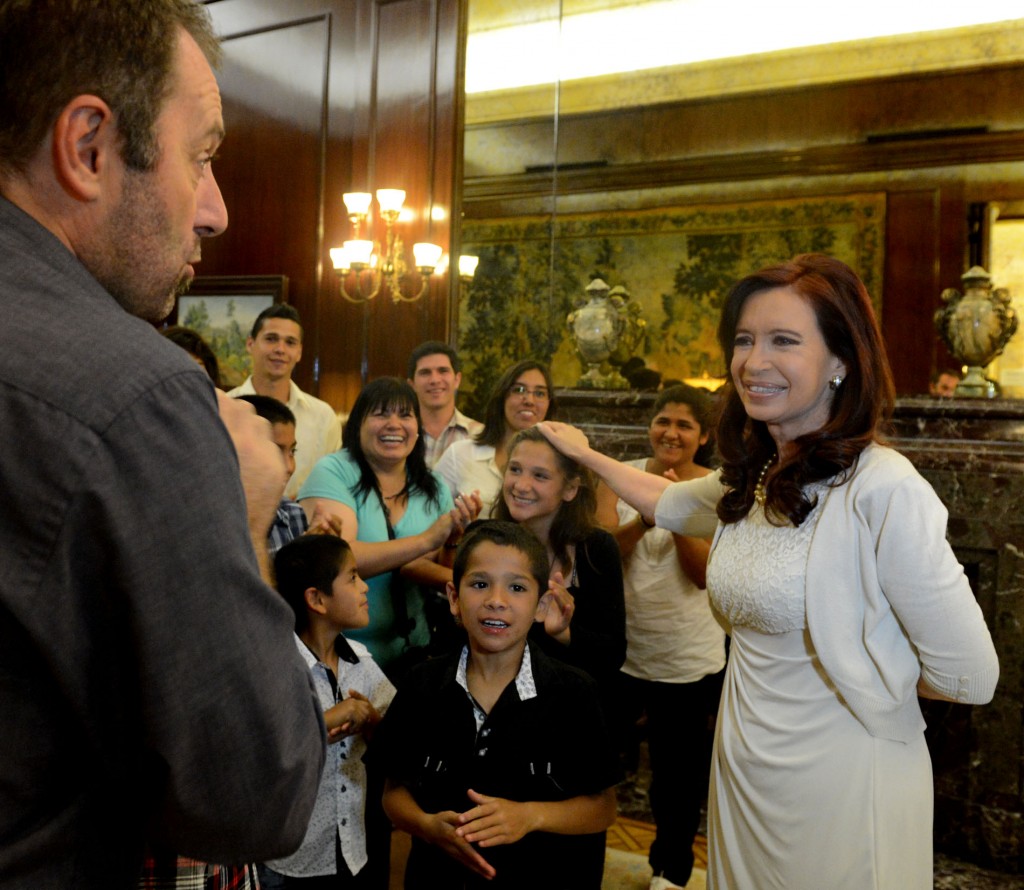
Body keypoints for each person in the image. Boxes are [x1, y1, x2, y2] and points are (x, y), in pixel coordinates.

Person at [537, 254, 999, 889]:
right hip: (743, 760)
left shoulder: (884, 488)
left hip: (844, 772)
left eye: (784, 340)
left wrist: (861, 676)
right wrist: (585, 454)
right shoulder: (751, 478)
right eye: (745, 340)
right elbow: (666, 502)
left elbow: (969, 674)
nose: (754, 362)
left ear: (841, 360)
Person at [0, 3, 326, 888]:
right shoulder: (135, 395)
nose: (216, 211)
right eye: (203, 155)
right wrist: (247, 516)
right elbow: (257, 797)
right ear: (90, 148)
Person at [372, 521, 621, 889]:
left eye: (517, 587)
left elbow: (603, 808)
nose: (497, 600)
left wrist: (530, 816)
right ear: (454, 598)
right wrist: (425, 825)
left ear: (542, 605)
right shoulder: (421, 684)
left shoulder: (573, 692)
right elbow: (393, 792)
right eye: (480, 584)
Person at [595, 384, 725, 890]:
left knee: (677, 780)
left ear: (704, 435)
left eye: (685, 425)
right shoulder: (620, 477)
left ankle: (669, 872)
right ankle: (578, 851)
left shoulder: (718, 487)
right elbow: (602, 557)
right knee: (596, 763)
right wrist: (645, 516)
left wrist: (673, 516)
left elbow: (702, 575)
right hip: (620, 653)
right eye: (663, 421)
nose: (671, 433)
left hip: (686, 657)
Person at [298, 377, 479, 674]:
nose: (394, 424)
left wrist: (452, 539)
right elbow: (338, 561)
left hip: (416, 653)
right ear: (358, 425)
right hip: (340, 656)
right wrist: (427, 539)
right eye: (381, 413)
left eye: (405, 415)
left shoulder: (432, 485)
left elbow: (436, 566)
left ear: (417, 429)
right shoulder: (334, 471)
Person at [259, 535, 396, 889]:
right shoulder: (279, 666)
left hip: (351, 848)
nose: (365, 587)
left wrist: (373, 721)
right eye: (352, 577)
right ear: (316, 599)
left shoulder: (361, 662)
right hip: (290, 859)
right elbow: (264, 746)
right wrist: (329, 718)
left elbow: (398, 740)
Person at [491, 427, 626, 701]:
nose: (520, 485)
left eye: (539, 475)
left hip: (572, 707)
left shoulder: (596, 549)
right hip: (501, 704)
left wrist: (565, 633)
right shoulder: (487, 541)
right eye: (515, 469)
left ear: (570, 489)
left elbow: (612, 654)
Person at [229, 303, 342, 498]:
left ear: (299, 352)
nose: (280, 349)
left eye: (290, 342)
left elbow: (331, 484)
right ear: (250, 344)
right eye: (271, 339)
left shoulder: (323, 417)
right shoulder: (226, 407)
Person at [435, 360, 558, 516]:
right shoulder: (459, 454)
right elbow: (429, 520)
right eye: (519, 390)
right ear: (502, 397)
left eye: (539, 393)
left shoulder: (558, 461)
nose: (529, 401)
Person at [235, 393, 310, 555]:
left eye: (292, 451)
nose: (289, 467)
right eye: (276, 449)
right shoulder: (217, 521)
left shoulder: (293, 514)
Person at [407, 340, 483, 468]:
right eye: (425, 372)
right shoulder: (401, 434)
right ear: (412, 384)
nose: (435, 380)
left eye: (443, 371)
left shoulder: (480, 436)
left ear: (457, 380)